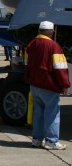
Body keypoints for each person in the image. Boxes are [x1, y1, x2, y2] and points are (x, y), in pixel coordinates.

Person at [25, 21, 70, 150]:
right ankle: (51, 141)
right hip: (48, 85)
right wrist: (65, 84)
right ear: (51, 31)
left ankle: (36, 139)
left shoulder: (31, 44)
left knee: (38, 112)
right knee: (52, 113)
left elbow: (27, 64)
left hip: (34, 85)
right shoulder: (54, 46)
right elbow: (60, 68)